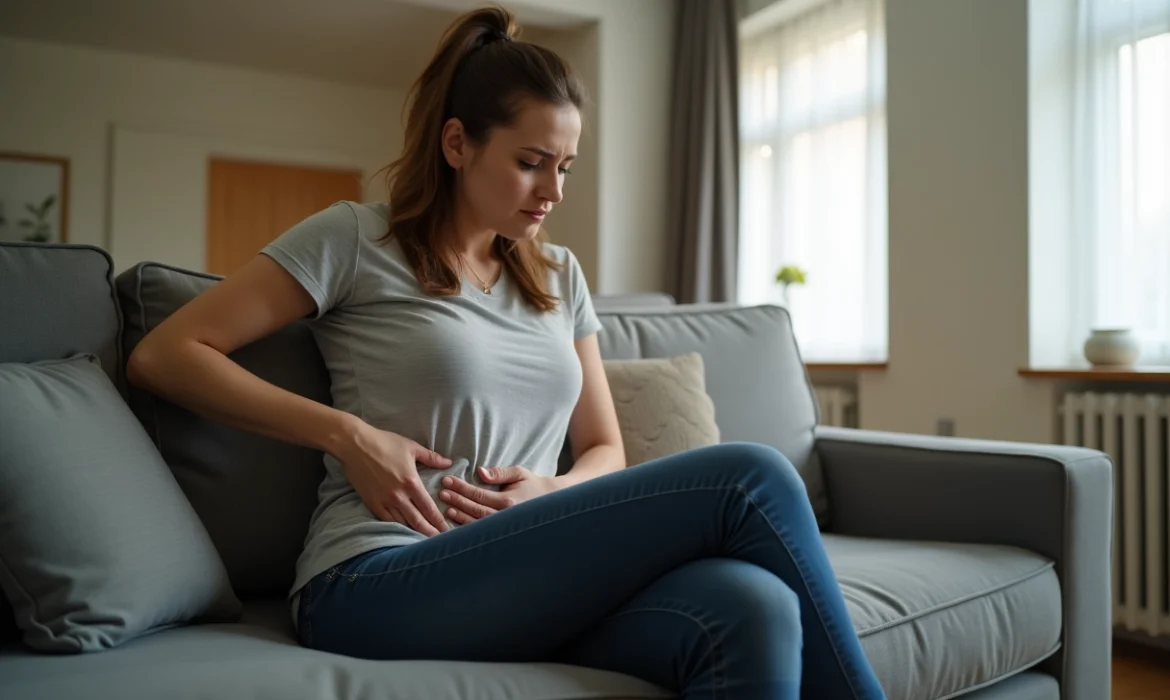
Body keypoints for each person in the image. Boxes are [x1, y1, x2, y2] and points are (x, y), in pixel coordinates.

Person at [126, 5, 886, 699]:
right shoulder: (358, 239)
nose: (552, 189)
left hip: (530, 570)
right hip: (378, 577)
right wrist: (347, 434)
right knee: (747, 476)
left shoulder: (559, 276)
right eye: (530, 161)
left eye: (564, 166)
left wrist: (552, 493)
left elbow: (603, 449)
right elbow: (166, 354)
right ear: (458, 142)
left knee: (754, 607)